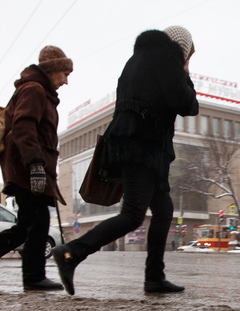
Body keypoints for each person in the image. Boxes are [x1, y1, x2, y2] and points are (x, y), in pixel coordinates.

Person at [52, 27, 199, 296]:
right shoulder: (167, 60)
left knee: (163, 210)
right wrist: (185, 70)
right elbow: (188, 104)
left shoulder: (135, 61)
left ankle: (154, 277)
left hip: (135, 144)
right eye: (188, 53)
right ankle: (71, 252)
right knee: (132, 214)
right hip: (144, 147)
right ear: (182, 48)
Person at [0, 46, 73, 291]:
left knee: (28, 224)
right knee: (37, 222)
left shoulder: (37, 90)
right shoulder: (34, 89)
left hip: (26, 167)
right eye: (64, 73)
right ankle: (32, 277)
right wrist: (35, 165)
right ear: (52, 69)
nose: (66, 80)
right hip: (27, 168)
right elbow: (24, 127)